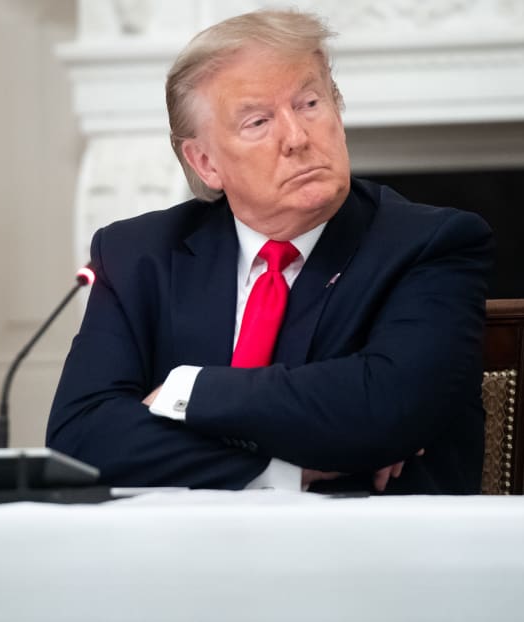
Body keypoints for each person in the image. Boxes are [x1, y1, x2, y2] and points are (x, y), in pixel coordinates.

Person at [46, 9, 493, 494]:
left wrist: (187, 391)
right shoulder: (138, 256)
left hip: (374, 539)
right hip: (182, 540)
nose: (297, 138)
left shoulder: (429, 244)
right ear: (205, 162)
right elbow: (82, 440)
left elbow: (386, 408)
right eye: (258, 122)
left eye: (309, 104)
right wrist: (286, 469)